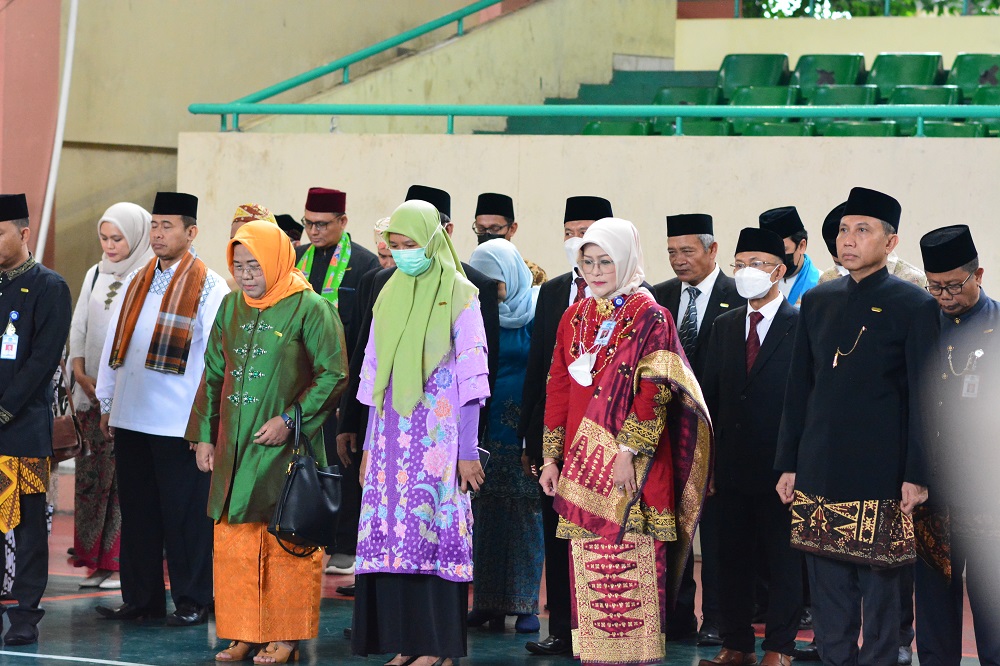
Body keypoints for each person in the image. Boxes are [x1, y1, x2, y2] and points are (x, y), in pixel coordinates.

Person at [538, 217, 711, 666]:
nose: (595, 272)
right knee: (592, 577)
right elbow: (558, 386)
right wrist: (551, 457)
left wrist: (628, 452)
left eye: (605, 262)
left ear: (627, 260)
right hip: (581, 465)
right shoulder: (574, 316)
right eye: (588, 262)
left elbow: (655, 391)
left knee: (631, 571)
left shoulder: (651, 316)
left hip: (634, 465)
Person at [775, 187, 936, 666]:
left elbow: (926, 401)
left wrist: (917, 474)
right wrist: (788, 463)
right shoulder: (818, 301)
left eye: (862, 230)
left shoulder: (915, 305)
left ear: (891, 242)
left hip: (882, 475)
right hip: (819, 470)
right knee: (829, 599)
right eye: (844, 230)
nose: (848, 239)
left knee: (882, 597)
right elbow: (799, 391)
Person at [187, 220, 348, 664]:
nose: (245, 274)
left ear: (277, 260)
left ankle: (285, 635)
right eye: (238, 265)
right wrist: (205, 437)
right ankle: (243, 632)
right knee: (235, 543)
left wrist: (291, 420)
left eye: (254, 265)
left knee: (286, 541)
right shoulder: (231, 307)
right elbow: (213, 373)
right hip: (235, 448)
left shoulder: (310, 307)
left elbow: (334, 374)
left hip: (286, 450)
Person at [334, 187, 500, 598]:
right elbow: (373, 380)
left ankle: (433, 634)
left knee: (433, 536)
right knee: (391, 535)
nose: (403, 253)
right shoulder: (388, 294)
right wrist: (369, 448)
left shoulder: (461, 294)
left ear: (433, 240)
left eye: (411, 245)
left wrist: (468, 452)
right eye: (396, 245)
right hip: (388, 444)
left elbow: (473, 384)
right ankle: (396, 632)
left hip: (439, 444)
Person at [94, 191, 229, 626]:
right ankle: (141, 600)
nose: (157, 234)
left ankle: (193, 600)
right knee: (138, 514)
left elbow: (216, 360)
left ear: (191, 232)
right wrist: (108, 401)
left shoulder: (210, 285)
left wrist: (206, 423)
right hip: (132, 415)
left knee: (185, 517)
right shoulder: (137, 279)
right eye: (154, 225)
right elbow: (114, 343)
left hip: (179, 423)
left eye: (167, 226)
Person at [699, 227, 804, 666]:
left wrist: (795, 462)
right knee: (730, 560)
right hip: (730, 466)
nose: (747, 272)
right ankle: (736, 644)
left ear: (779, 271)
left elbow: (805, 400)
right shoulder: (724, 326)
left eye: (757, 264)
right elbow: (710, 399)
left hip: (781, 467)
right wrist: (707, 465)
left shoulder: (800, 324)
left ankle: (779, 647)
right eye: (740, 264)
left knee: (783, 561)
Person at [519, 195, 614, 657]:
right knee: (556, 531)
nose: (577, 241)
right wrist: (533, 439)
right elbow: (541, 368)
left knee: (600, 537)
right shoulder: (555, 292)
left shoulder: (635, 300)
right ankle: (560, 627)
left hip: (607, 439)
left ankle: (600, 629)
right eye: (570, 232)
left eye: (586, 233)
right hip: (556, 435)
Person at [653, 212, 744, 645]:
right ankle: (676, 616)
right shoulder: (659, 296)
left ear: (712, 249)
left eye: (687, 251)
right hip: (668, 433)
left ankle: (717, 619)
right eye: (672, 252)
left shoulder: (737, 295)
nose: (678, 260)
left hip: (718, 432)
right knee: (672, 527)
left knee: (720, 535)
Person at [915, 224, 1000, 666]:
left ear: (978, 275)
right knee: (933, 600)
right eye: (935, 287)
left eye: (953, 286)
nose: (944, 297)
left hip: (987, 492)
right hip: (933, 490)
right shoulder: (921, 325)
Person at [0, 193, 72, 645]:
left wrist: (4, 409)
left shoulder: (49, 287)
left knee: (27, 527)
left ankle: (25, 614)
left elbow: (43, 360)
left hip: (23, 429)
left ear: (24, 233)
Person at [69, 202, 153, 590]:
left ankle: (118, 564)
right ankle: (95, 560)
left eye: (117, 238)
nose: (110, 246)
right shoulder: (94, 273)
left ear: (135, 235)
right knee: (91, 483)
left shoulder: (147, 274)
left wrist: (110, 386)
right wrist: (80, 373)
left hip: (124, 398)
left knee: (121, 484)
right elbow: (80, 328)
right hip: (91, 397)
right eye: (104, 238)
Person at [295, 186, 378, 574]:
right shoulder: (296, 260)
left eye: (322, 224)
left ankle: (344, 543)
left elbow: (362, 333)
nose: (314, 231)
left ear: (342, 221)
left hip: (342, 382)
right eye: (308, 223)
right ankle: (302, 532)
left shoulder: (363, 264)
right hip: (300, 381)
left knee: (341, 460)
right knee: (302, 460)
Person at [467, 238, 543, 633]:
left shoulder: (537, 310)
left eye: (495, 280)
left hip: (524, 427)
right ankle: (487, 603)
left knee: (526, 514)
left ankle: (526, 603)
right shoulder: (474, 312)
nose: (489, 288)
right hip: (485, 424)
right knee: (485, 514)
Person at [818, 202, 926, 289]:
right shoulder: (826, 283)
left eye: (862, 230)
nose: (848, 242)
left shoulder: (912, 281)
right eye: (844, 230)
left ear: (889, 243)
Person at [758, 206, 820, 308]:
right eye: (771, 251)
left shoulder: (821, 284)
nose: (777, 258)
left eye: (783, 250)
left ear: (801, 246)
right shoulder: (758, 287)